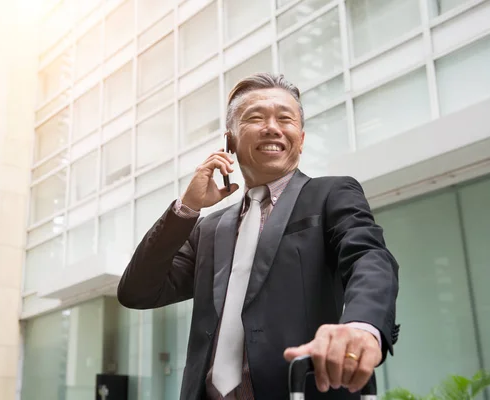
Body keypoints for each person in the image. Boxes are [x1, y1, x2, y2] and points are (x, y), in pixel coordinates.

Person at [117, 73, 400, 400]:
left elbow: (369, 258)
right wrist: (187, 207)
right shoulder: (207, 229)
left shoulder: (330, 194)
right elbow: (136, 291)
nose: (272, 127)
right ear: (230, 141)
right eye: (255, 117)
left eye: (285, 118)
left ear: (301, 138)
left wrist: (361, 326)